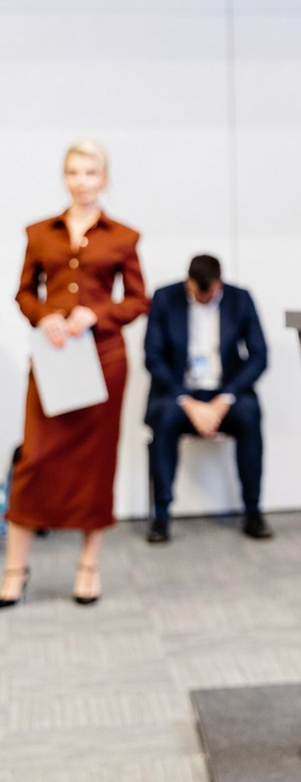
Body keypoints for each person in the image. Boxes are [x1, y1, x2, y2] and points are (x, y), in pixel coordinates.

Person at [0, 140, 148, 608]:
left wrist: (96, 314)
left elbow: (138, 301)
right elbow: (24, 293)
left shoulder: (123, 237)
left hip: (104, 361)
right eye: (73, 172)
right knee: (34, 459)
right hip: (54, 358)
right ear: (64, 177)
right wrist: (44, 315)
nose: (81, 181)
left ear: (104, 179)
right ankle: (15, 568)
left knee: (95, 463)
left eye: (90, 172)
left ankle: (89, 566)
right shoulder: (40, 233)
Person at [144, 254, 271, 542]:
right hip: (180, 392)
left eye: (209, 293)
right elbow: (152, 356)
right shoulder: (165, 298)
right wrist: (187, 402)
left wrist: (224, 399)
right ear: (187, 282)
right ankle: (161, 515)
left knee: (249, 414)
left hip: (225, 392)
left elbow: (259, 356)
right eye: (197, 292)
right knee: (164, 417)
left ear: (219, 283)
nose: (203, 298)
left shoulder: (240, 299)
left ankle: (253, 511)